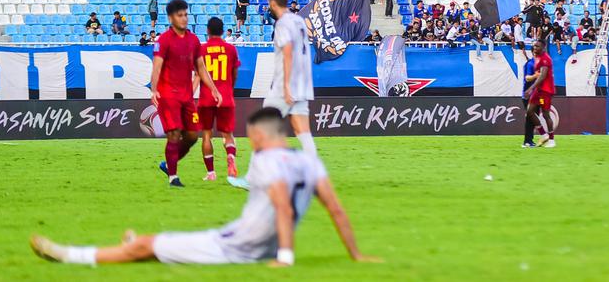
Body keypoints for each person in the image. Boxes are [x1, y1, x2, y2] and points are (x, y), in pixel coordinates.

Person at [30, 107, 376, 268]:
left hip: (236, 248)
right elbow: (336, 209)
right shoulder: (309, 162)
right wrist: (356, 255)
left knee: (147, 246)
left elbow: (283, 207)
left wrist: (285, 258)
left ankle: (69, 255)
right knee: (160, 244)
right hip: (250, 243)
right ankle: (142, 244)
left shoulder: (267, 162)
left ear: (260, 135)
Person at [151, 0, 223, 188]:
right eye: (179, 15)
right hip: (168, 95)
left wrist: (213, 89)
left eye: (185, 15)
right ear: (171, 18)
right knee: (174, 133)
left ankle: (169, 164)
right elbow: (157, 67)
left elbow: (201, 68)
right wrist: (154, 90)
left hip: (186, 96)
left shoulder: (193, 40)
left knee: (192, 136)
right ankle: (173, 177)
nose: (184, 18)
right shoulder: (163, 40)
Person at [265, 0, 317, 157]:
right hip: (302, 84)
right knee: (303, 131)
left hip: (284, 85)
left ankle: (266, 170)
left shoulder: (282, 24)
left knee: (264, 125)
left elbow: (288, 52)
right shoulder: (298, 20)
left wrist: (286, 86)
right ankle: (313, 169)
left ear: (273, 2)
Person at [196, 17, 241, 181]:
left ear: (207, 30)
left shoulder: (201, 50)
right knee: (228, 134)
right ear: (222, 31)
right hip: (225, 96)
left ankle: (211, 173)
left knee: (207, 135)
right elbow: (235, 73)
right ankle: (231, 157)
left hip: (206, 98)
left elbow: (198, 75)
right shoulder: (231, 49)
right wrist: (229, 89)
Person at [522, 40, 556, 148]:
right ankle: (543, 134)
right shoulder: (537, 60)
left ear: (543, 47)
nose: (535, 48)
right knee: (530, 111)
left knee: (546, 114)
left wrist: (530, 88)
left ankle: (551, 140)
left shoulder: (545, 59)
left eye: (537, 46)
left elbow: (542, 76)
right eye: (534, 46)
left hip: (545, 90)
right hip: (538, 90)